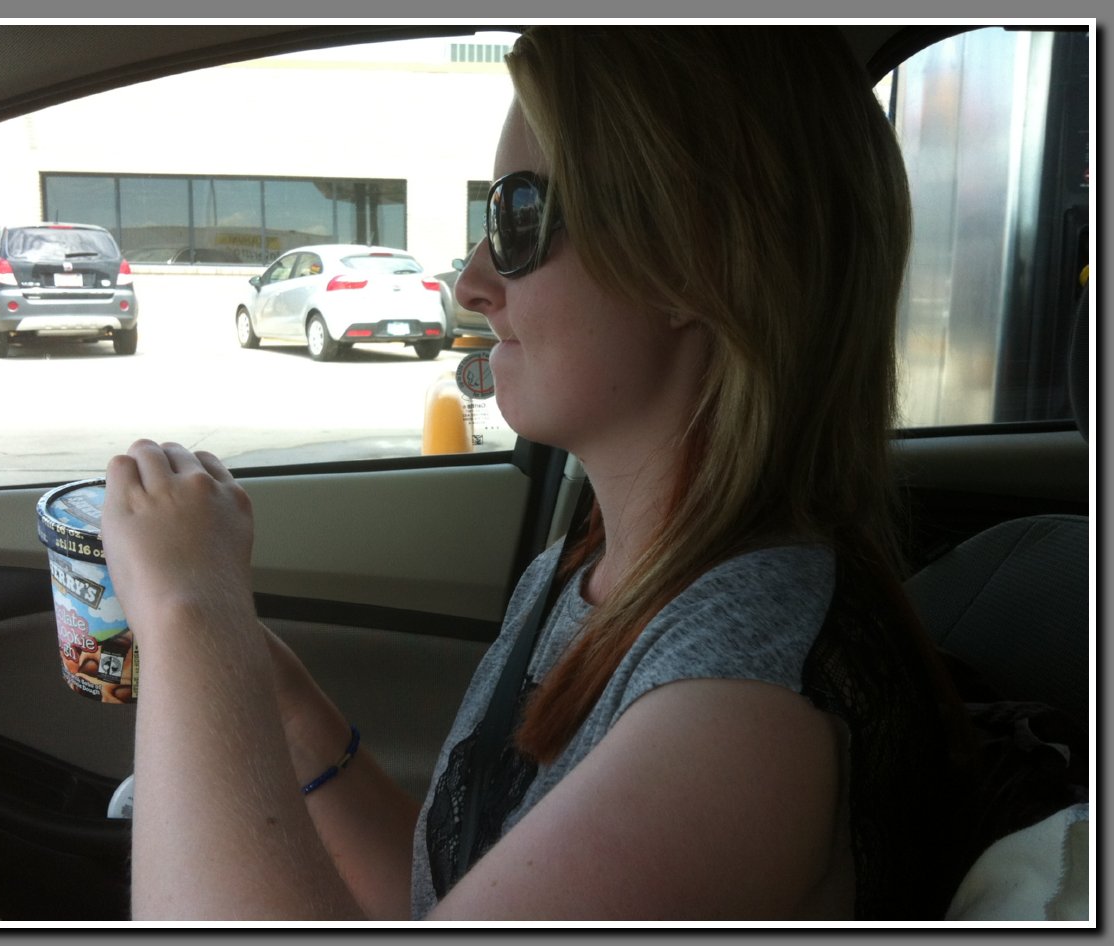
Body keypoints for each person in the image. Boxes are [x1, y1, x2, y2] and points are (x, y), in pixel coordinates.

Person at [99, 26, 969, 921]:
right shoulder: (587, 570)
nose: (472, 283)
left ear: (690, 260)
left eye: (519, 218)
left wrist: (189, 613)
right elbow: (451, 901)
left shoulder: (744, 715)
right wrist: (280, 706)